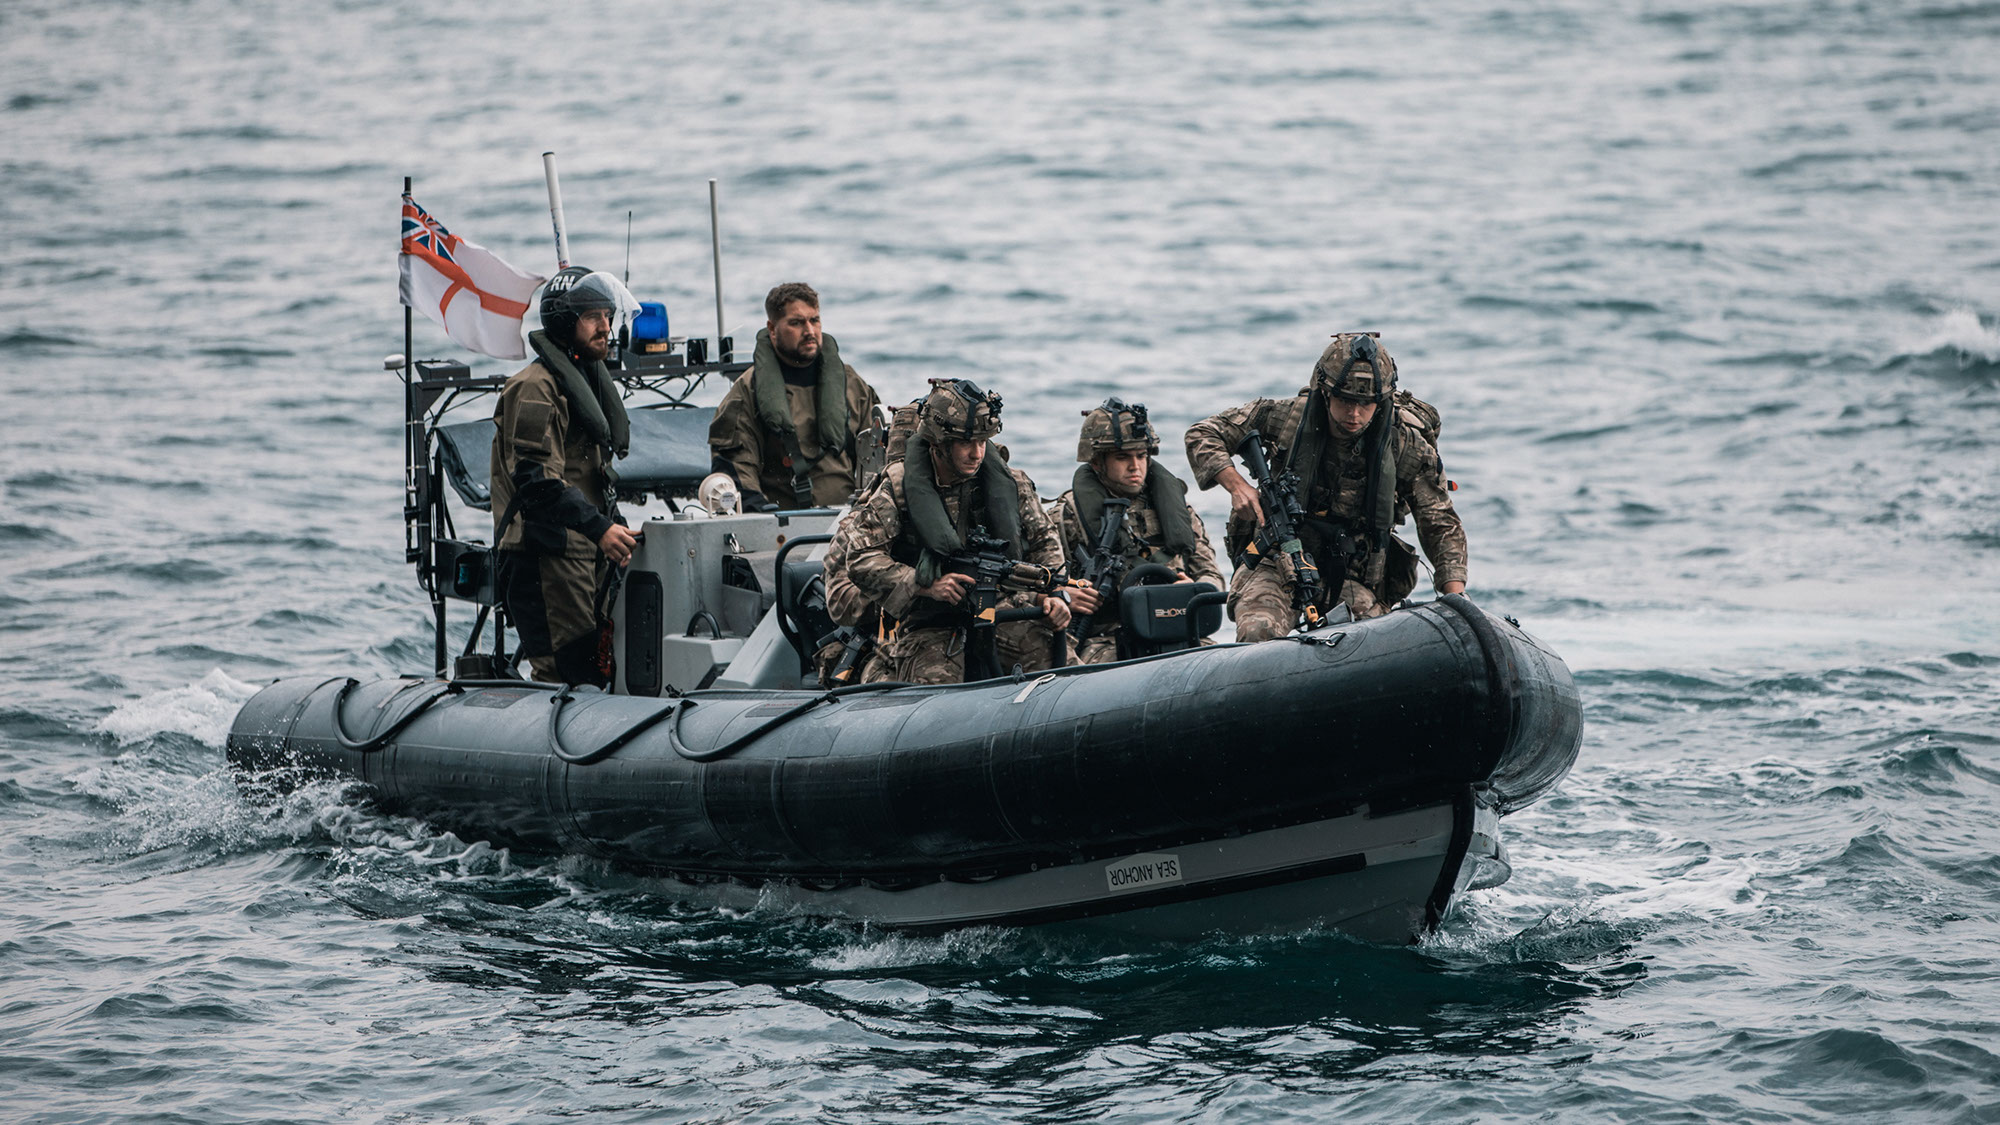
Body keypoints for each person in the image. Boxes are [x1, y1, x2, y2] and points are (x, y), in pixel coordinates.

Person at [1185, 332, 1467, 641]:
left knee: (1374, 645)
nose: (1354, 414)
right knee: (1258, 630)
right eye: (1345, 400)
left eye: (1366, 403)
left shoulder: (1404, 446)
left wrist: (1455, 598)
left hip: (1352, 576)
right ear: (1326, 392)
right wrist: (1237, 486)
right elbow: (1204, 433)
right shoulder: (1284, 418)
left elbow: (1440, 524)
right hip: (1276, 562)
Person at [831, 378, 1097, 684]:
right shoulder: (898, 490)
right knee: (934, 695)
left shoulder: (1012, 484)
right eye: (966, 443)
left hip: (1001, 607)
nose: (977, 453)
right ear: (938, 444)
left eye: (983, 442)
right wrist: (924, 586)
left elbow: (1044, 545)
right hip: (931, 621)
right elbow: (861, 559)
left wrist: (1053, 596)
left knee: (1067, 675)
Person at [490, 266, 639, 686]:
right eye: (593, 317)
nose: (605, 327)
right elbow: (536, 482)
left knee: (597, 670)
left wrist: (613, 527)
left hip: (584, 548)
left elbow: (588, 473)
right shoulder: (536, 388)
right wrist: (600, 529)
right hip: (546, 553)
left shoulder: (583, 382)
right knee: (566, 674)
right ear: (563, 321)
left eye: (608, 316)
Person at [1050, 398, 1224, 664]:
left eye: (1141, 456)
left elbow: (1211, 573)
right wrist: (1065, 595)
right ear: (1097, 462)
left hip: (1177, 628)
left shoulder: (1178, 510)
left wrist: (1196, 590)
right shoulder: (1067, 514)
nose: (1135, 466)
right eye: (1122, 457)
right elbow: (1042, 577)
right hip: (1108, 637)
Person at [708, 282, 883, 510]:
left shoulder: (850, 384)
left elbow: (878, 453)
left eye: (814, 320)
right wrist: (763, 517)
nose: (809, 331)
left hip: (850, 518)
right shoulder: (747, 392)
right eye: (796, 323)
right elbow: (738, 470)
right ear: (772, 329)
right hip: (784, 526)